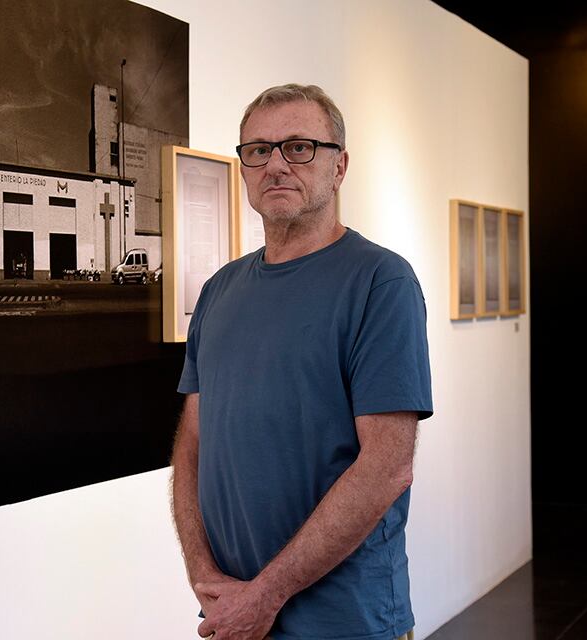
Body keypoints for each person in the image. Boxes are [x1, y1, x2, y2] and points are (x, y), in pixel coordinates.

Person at [171, 84, 433, 640]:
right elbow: (192, 444)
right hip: (232, 615)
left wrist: (265, 596)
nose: (276, 165)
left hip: (344, 621)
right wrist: (204, 576)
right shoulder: (219, 291)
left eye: (299, 146)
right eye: (258, 150)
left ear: (339, 166)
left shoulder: (380, 283)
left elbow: (388, 466)